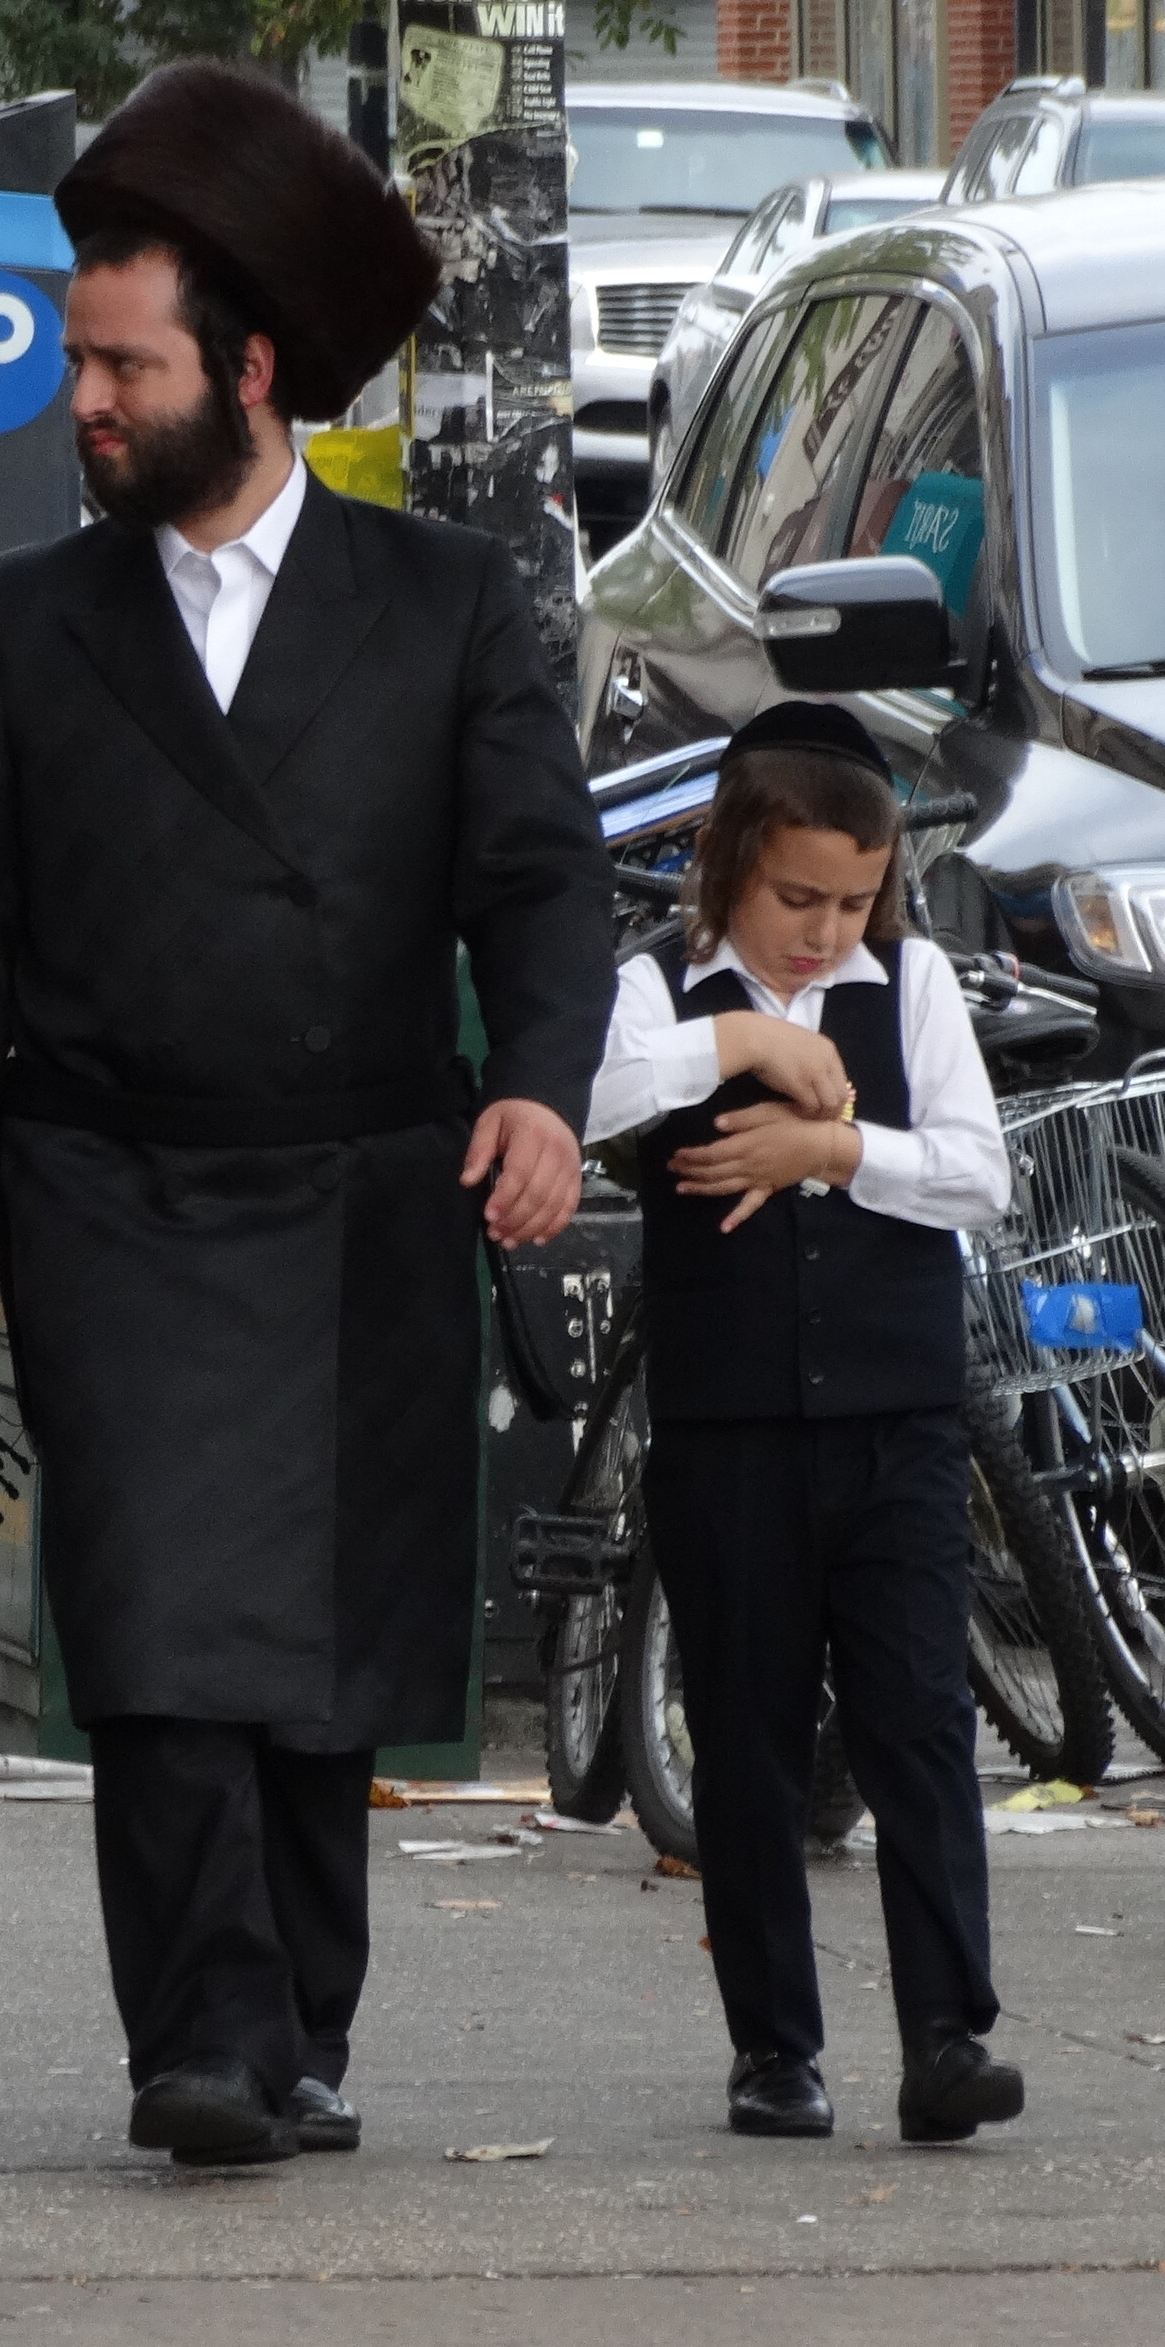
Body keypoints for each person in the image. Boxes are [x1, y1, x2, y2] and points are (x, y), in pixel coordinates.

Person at [0, 60, 618, 2168]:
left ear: (248, 368)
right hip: (107, 1178)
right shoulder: (28, 622)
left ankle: (301, 2021)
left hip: (373, 1173)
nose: (79, 404)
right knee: (167, 1622)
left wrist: (544, 1092)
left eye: (121, 365)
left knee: (326, 1638)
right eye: (78, 363)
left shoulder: (446, 601)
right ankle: (195, 2032)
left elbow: (541, 883)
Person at [584, 702, 1020, 2143]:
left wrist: (830, 1146)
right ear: (721, 862)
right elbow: (595, 1104)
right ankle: (773, 2047)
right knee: (746, 1738)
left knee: (915, 1726)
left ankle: (945, 2031)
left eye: (849, 900)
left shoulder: (907, 982)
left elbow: (973, 1173)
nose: (820, 931)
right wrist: (735, 1047)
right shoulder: (658, 987)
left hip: (896, 1422)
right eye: (792, 898)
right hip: (727, 1432)